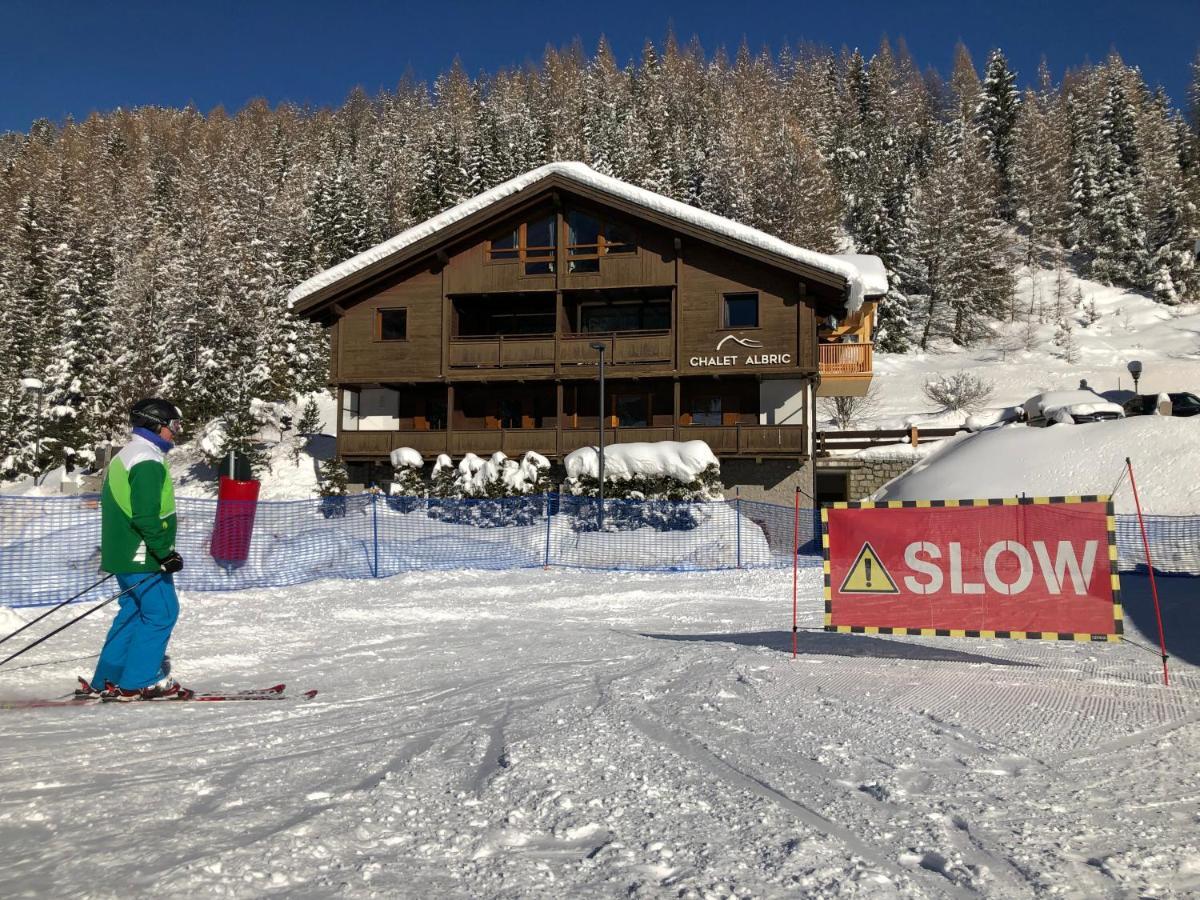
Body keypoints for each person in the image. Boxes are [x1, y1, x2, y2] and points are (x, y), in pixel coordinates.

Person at [76, 398, 187, 701]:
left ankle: (108, 678)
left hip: (124, 553)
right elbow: (145, 515)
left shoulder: (127, 454)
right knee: (162, 612)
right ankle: (140, 680)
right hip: (143, 554)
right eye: (172, 426)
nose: (175, 433)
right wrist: (164, 552)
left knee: (133, 613)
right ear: (156, 424)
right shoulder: (147, 459)